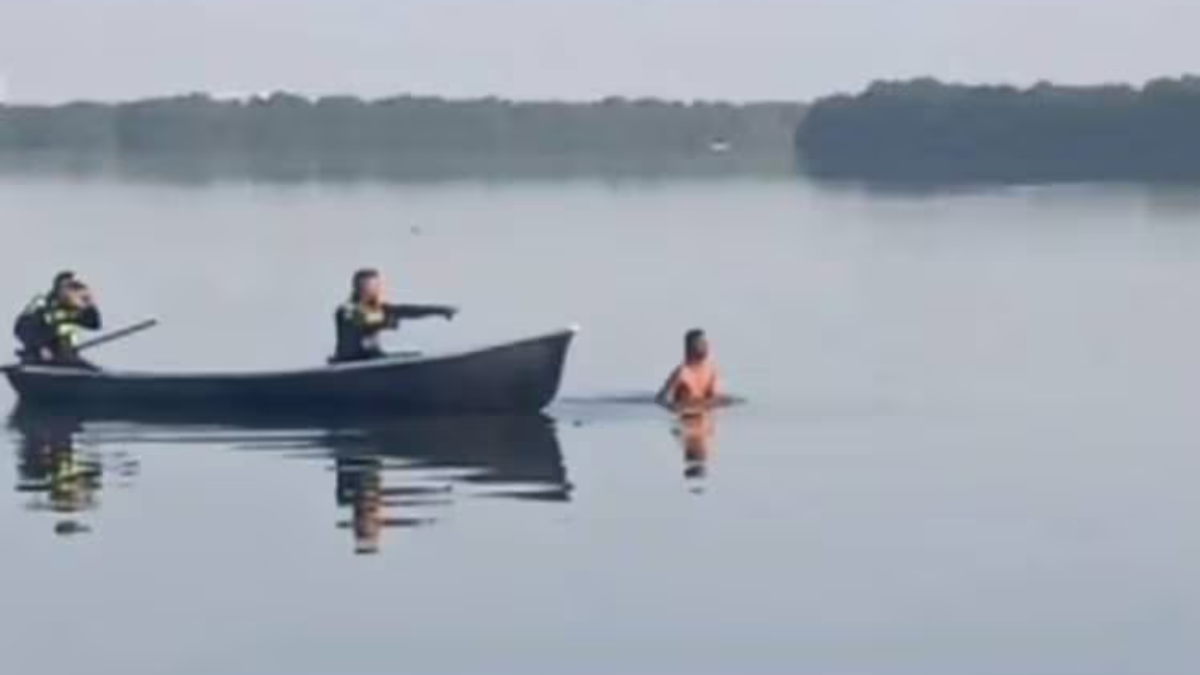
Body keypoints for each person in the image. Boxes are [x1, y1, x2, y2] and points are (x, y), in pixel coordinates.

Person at [332, 268, 456, 363]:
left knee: (413, 356)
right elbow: (364, 319)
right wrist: (387, 321)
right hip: (350, 362)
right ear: (358, 288)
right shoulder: (346, 310)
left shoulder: (379, 308)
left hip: (371, 357)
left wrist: (440, 311)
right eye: (370, 286)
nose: (375, 290)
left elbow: (408, 310)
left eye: (377, 285)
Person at [13, 272, 102, 366]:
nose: (68, 291)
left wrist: (87, 301)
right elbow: (21, 326)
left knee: (67, 329)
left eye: (72, 287)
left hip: (65, 355)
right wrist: (41, 346)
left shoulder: (74, 307)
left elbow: (94, 324)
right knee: (41, 327)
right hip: (39, 348)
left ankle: (70, 361)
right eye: (66, 287)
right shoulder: (42, 302)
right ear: (57, 288)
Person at [657, 328, 720, 410]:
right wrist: (675, 407)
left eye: (706, 343)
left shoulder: (711, 371)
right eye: (702, 343)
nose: (706, 346)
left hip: (705, 415)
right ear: (691, 347)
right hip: (685, 415)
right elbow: (661, 399)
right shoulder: (681, 373)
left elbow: (716, 398)